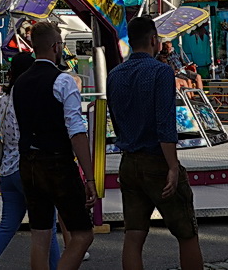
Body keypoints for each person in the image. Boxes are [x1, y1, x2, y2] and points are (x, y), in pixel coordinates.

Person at [108, 16, 202, 270]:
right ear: (154, 41)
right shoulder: (161, 72)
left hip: (129, 162)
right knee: (186, 232)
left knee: (134, 234)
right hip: (157, 161)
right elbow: (165, 123)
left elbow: (115, 119)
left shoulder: (115, 74)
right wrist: (172, 165)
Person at [14, 22, 97, 270]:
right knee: (82, 234)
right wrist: (90, 178)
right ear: (55, 46)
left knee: (40, 234)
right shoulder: (63, 81)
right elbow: (76, 131)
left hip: (28, 162)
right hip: (58, 163)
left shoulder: (20, 83)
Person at [0, 54, 61, 270]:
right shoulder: (27, 96)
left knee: (7, 225)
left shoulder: (4, 98)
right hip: (28, 167)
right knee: (46, 225)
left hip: (7, 169)